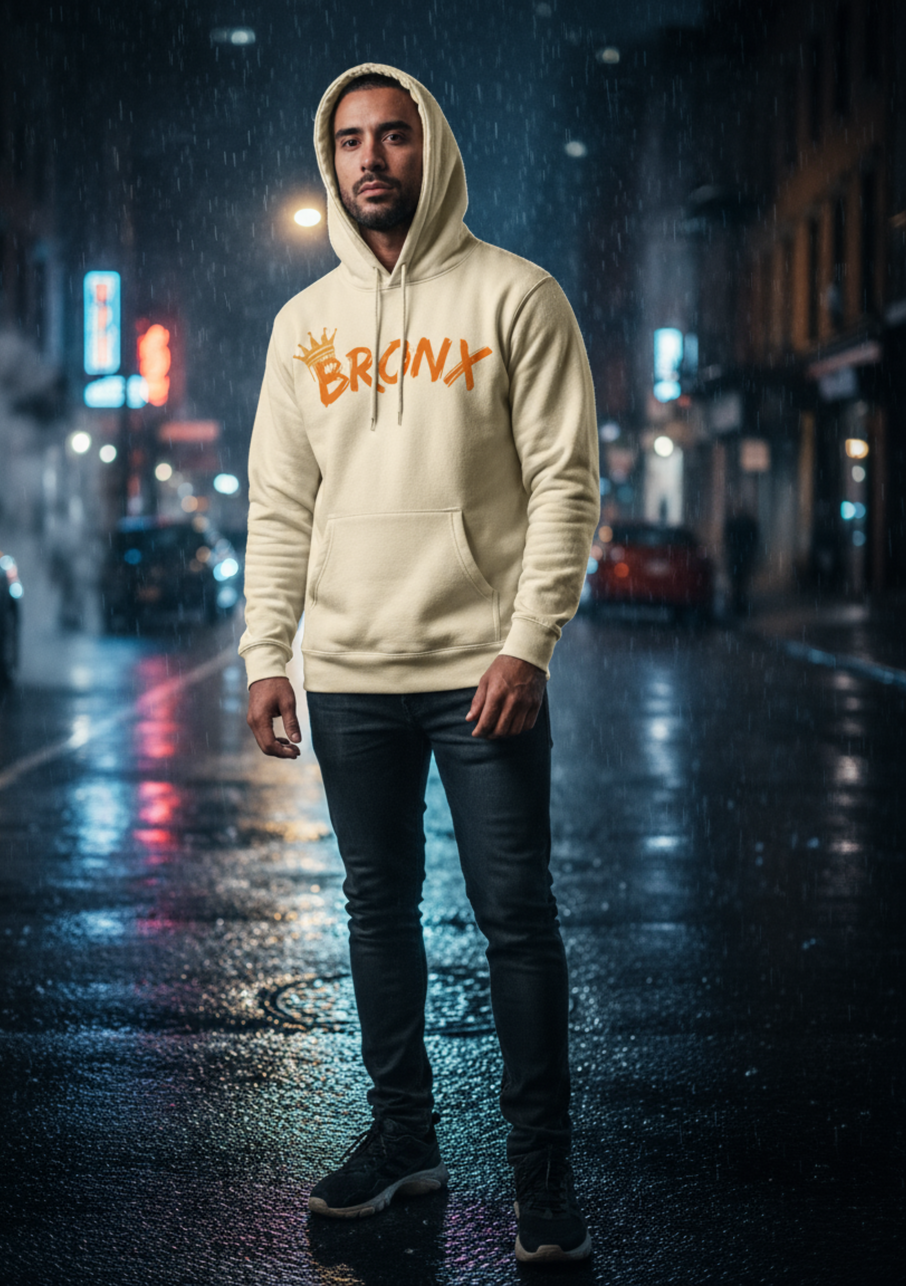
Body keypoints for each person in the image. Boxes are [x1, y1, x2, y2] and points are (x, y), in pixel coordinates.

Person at [240, 63, 600, 1265]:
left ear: (431, 147)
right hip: (347, 670)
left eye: (393, 136)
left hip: (476, 670)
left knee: (514, 919)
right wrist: (266, 652)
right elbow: (281, 506)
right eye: (349, 140)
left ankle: (543, 1180)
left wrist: (526, 639)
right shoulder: (304, 323)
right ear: (329, 157)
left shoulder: (517, 295)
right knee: (376, 912)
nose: (371, 159)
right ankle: (406, 1139)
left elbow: (564, 484)